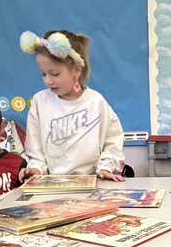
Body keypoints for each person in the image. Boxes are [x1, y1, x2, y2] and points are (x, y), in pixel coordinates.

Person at [20, 29, 125, 182]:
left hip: (92, 183)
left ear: (76, 70)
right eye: (43, 74)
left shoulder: (96, 102)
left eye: (54, 74)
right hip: (51, 186)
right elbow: (35, 149)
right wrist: (35, 168)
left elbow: (113, 140)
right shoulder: (39, 102)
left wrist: (105, 167)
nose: (48, 80)